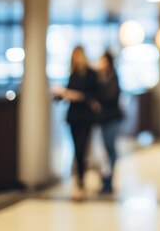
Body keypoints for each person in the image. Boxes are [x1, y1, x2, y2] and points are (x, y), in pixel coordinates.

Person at [55, 45, 99, 202]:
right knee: (76, 149)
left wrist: (78, 96)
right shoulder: (72, 74)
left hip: (86, 117)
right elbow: (67, 92)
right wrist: (60, 94)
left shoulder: (91, 74)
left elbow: (93, 96)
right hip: (73, 117)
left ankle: (80, 182)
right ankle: (79, 182)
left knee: (81, 148)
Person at [96, 50, 123, 194]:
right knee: (105, 149)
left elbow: (111, 97)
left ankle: (109, 179)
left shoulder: (113, 77)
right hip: (103, 118)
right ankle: (105, 178)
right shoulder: (100, 77)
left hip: (112, 118)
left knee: (111, 148)